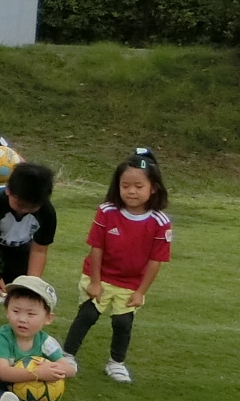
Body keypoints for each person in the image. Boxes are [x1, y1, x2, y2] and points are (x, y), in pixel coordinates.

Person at [63, 153, 172, 384]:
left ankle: (116, 362)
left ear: (153, 188)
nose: (131, 191)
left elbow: (156, 261)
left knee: (123, 323)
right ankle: (67, 356)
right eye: (125, 186)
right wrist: (94, 281)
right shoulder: (106, 211)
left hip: (131, 282)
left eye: (138, 186)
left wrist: (140, 291)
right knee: (88, 315)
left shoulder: (160, 222)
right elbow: (96, 247)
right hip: (99, 275)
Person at [0, 276, 120, 401]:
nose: (22, 319)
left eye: (31, 314)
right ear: (7, 311)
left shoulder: (45, 341)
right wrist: (38, 373)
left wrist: (50, 367)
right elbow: (3, 373)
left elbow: (70, 370)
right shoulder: (0, 339)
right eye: (16, 311)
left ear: (48, 318)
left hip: (31, 388)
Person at [0, 161, 57, 343]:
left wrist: (32, 283)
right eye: (20, 204)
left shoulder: (47, 213)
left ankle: (19, 344)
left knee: (24, 297)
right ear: (8, 190)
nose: (24, 210)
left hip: (20, 247)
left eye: (31, 207)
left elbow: (39, 250)